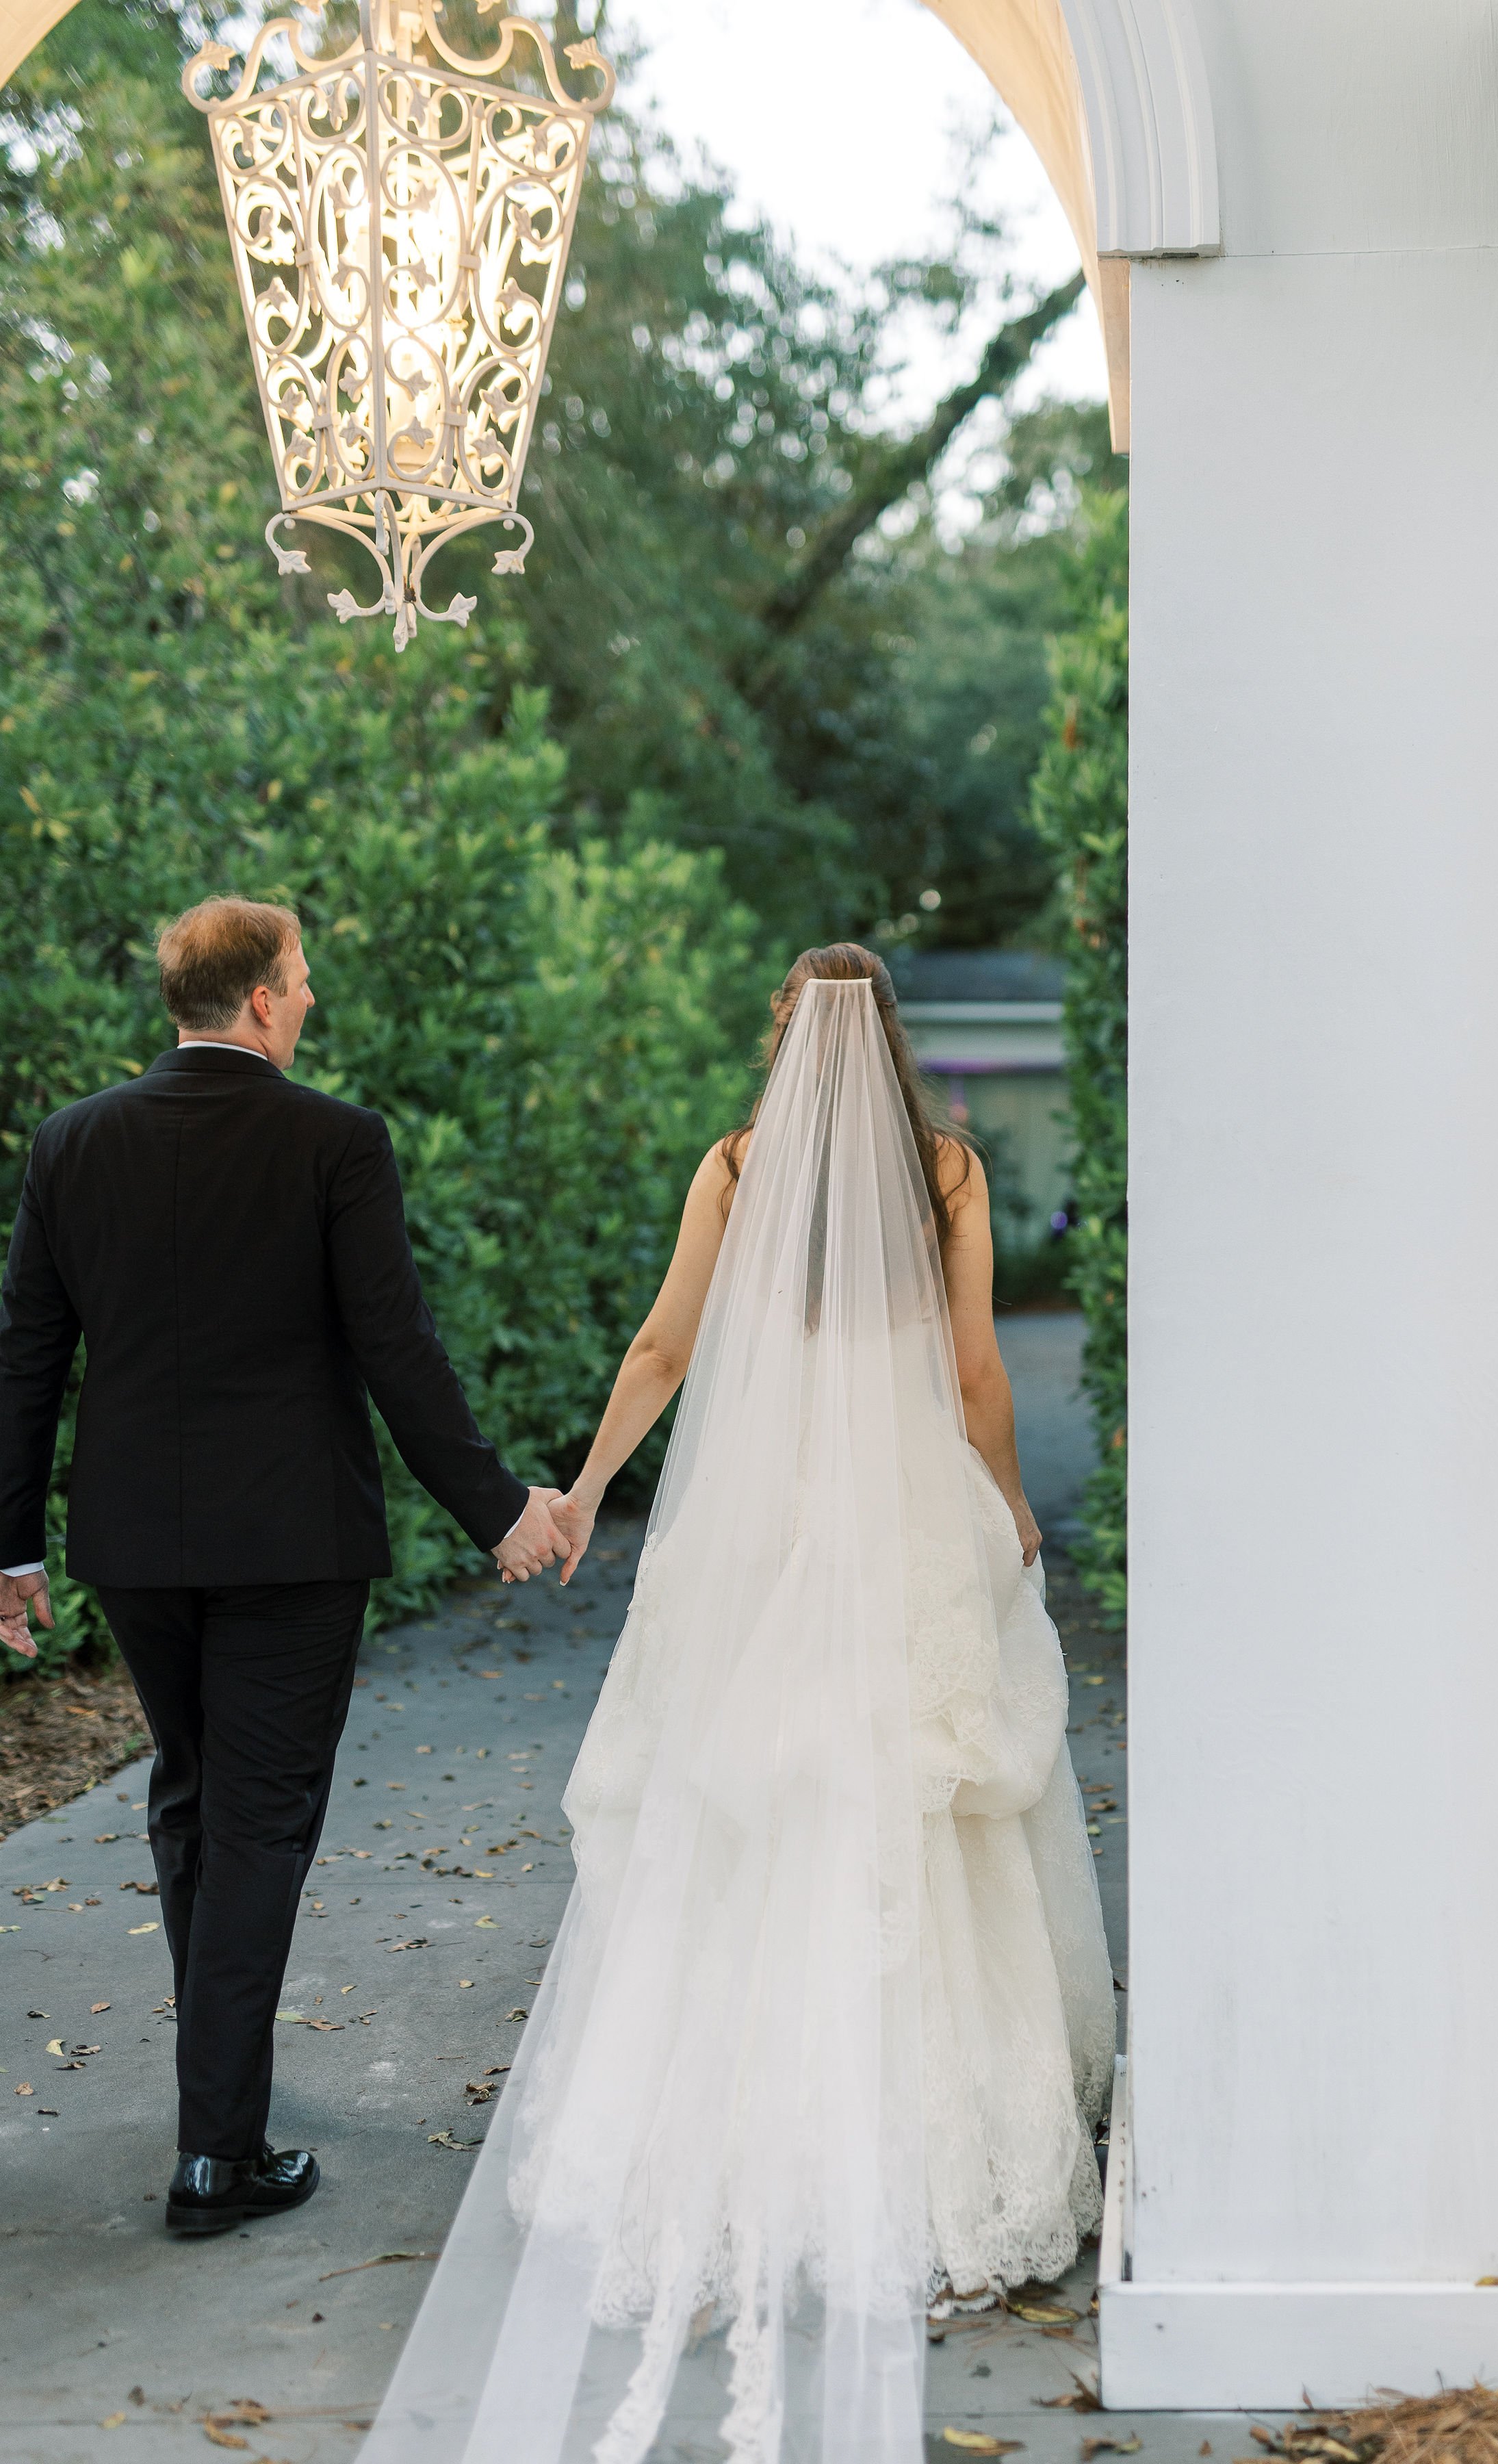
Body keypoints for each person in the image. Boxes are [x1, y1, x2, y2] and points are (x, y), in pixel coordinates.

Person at [359, 944, 1115, 2464]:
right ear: (892, 1038)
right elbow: (974, 1373)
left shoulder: (736, 1164)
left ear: (784, 1036)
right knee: (913, 1794)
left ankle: (720, 2128)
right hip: (904, 1523)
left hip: (756, 1541)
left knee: (744, 1802)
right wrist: (1010, 1506)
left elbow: (664, 1345)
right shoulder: (950, 1171)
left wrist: (577, 1493)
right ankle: (924, 2141)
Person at [0, 896, 569, 2235]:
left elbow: (28, 1357)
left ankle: (224, 2104)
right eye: (302, 981)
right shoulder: (335, 1143)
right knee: (257, 1823)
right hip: (292, 1543)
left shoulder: (71, 1145)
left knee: (193, 1800)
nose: (309, 999)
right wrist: (498, 1510)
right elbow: (397, 1352)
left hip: (135, 1544)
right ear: (259, 999)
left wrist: (12, 1546)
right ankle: (218, 2155)